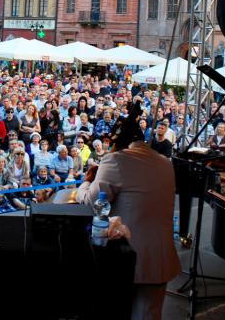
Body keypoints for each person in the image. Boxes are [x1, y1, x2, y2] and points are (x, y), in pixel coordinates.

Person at [76, 103, 180, 320]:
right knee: (150, 315)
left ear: (118, 143)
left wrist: (86, 182)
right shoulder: (165, 163)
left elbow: (91, 202)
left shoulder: (115, 160)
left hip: (127, 257)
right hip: (160, 257)